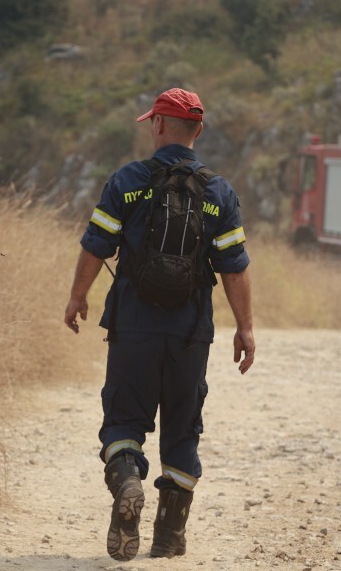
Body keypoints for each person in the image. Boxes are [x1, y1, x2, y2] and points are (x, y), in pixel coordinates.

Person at [63, 87, 255, 562]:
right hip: (191, 332)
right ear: (198, 130)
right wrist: (245, 327)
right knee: (183, 428)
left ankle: (128, 478)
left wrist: (77, 296)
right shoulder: (219, 192)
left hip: (133, 326)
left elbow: (96, 245)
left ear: (158, 125)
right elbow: (234, 266)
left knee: (125, 420)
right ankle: (168, 538)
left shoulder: (128, 180)